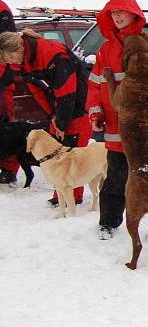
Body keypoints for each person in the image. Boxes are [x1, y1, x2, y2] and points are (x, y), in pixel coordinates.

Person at [87, 0, 148, 241]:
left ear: (133, 13)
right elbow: (96, 86)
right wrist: (95, 112)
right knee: (116, 180)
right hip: (118, 131)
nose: (117, 16)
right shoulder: (105, 50)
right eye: (113, 12)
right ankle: (108, 224)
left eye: (121, 11)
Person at [0, 29, 91, 199]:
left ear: (18, 50)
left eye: (10, 58)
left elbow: (67, 92)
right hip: (60, 103)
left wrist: (62, 123)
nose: (11, 64)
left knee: (73, 148)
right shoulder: (24, 61)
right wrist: (52, 116)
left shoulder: (52, 55)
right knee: (57, 149)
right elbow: (37, 91)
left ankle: (72, 196)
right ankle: (61, 193)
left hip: (79, 103)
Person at [0, 0, 18, 184]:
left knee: (6, 126)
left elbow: (8, 44)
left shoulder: (2, 10)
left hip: (2, 80)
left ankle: (8, 168)